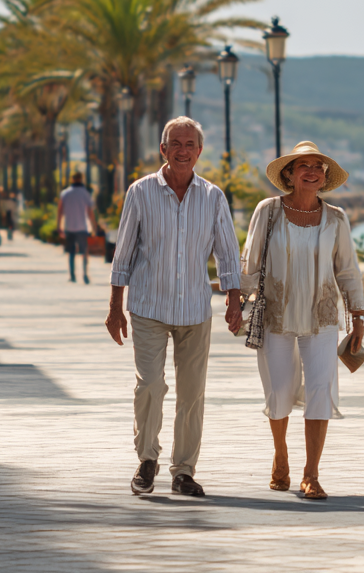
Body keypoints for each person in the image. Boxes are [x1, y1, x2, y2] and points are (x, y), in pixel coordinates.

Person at [108, 117, 242, 498]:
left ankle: (184, 470)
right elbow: (124, 253)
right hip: (148, 304)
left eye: (190, 144)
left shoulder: (213, 196)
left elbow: (227, 254)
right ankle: (147, 458)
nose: (183, 150)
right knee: (150, 385)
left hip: (196, 309)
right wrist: (115, 306)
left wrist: (234, 299)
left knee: (192, 392)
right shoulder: (141, 192)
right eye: (175, 143)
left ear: (199, 151)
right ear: (163, 150)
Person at [238, 141, 364, 501]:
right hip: (276, 313)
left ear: (324, 176)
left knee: (319, 390)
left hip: (322, 315)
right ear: (289, 174)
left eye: (318, 167)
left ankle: (311, 474)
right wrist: (239, 306)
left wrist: (357, 315)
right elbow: (251, 262)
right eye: (303, 166)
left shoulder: (336, 218)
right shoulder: (269, 211)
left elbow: (348, 270)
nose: (311, 171)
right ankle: (280, 455)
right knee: (278, 390)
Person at [57, 172, 98, 283]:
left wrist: (59, 226)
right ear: (81, 179)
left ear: (72, 179)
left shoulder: (65, 193)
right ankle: (85, 274)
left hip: (69, 226)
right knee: (84, 252)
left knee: (71, 253)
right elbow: (90, 211)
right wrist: (94, 226)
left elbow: (60, 211)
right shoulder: (85, 193)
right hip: (82, 227)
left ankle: (72, 275)